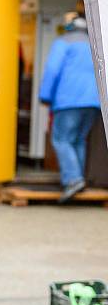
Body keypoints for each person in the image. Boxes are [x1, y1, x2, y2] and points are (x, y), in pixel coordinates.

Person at [40, 13, 101, 203]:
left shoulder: (63, 42)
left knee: (61, 139)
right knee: (78, 140)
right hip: (94, 102)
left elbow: (53, 70)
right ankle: (77, 181)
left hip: (69, 101)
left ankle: (73, 180)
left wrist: (45, 95)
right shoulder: (95, 45)